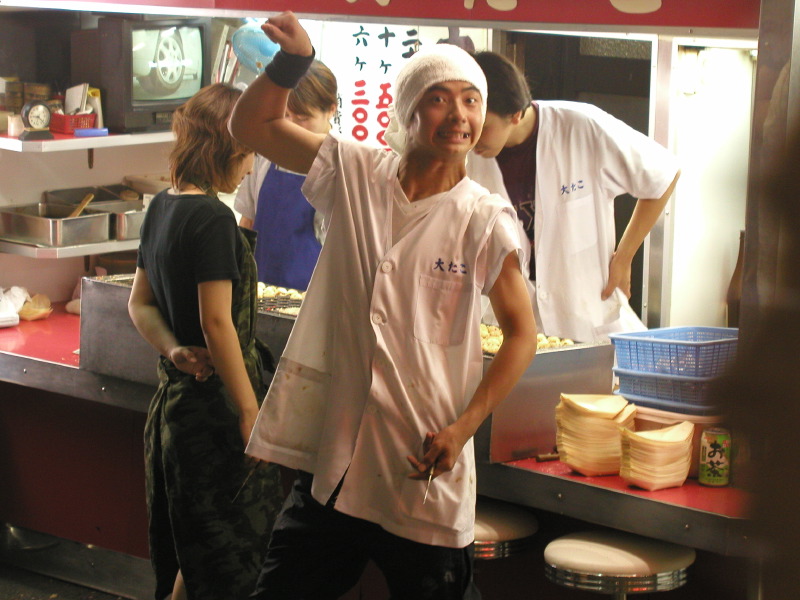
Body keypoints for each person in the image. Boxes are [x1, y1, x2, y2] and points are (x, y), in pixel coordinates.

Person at [229, 12, 537, 599]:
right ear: (408, 112)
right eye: (440, 99)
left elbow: (522, 332)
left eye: (472, 101)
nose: (460, 115)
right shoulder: (355, 172)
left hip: (422, 461)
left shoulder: (483, 218)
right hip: (339, 460)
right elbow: (253, 126)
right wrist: (292, 64)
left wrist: (464, 428)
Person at [127, 83, 283, 600]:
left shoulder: (162, 207)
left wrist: (172, 350)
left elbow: (140, 304)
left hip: (172, 411)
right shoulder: (215, 218)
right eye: (248, 153)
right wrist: (248, 411)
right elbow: (217, 324)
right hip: (215, 421)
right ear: (230, 147)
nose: (249, 165)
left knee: (190, 557)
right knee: (227, 564)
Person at [468, 51, 681, 343]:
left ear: (515, 114)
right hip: (506, 325)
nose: (472, 136)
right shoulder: (463, 151)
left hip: (586, 318)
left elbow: (664, 173)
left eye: (484, 127)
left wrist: (625, 255)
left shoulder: (582, 126)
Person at [235, 60, 338, 289]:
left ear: (331, 109)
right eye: (286, 116)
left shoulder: (343, 163)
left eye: (303, 119)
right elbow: (248, 220)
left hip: (313, 293)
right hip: (260, 287)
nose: (292, 127)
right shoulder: (266, 153)